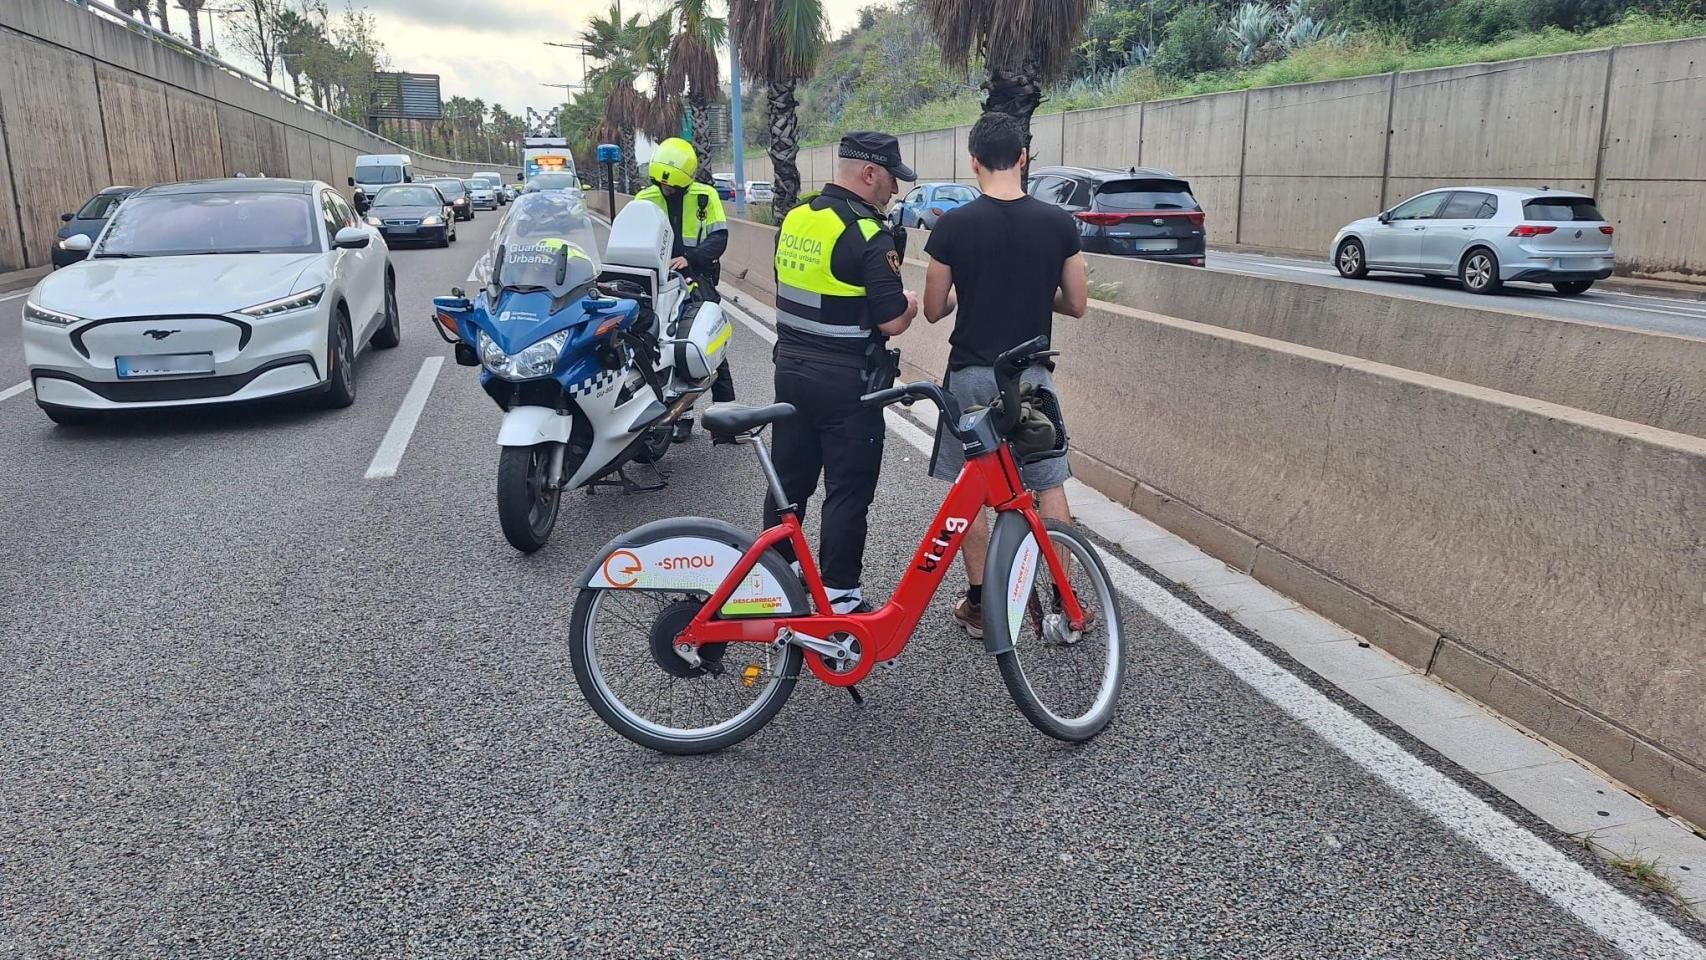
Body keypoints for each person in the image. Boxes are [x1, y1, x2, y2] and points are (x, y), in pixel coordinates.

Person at [921, 112, 1090, 638]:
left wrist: (968, 290)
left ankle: (981, 605)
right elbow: (1077, 304)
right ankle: (1065, 599)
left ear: (973, 161)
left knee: (971, 489)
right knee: (1048, 482)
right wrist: (1036, 292)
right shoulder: (1058, 224)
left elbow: (932, 308)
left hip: (971, 376)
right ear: (1023, 158)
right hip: (1032, 378)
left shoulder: (953, 226)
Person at [766, 131, 920, 614]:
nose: (894, 191)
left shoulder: (796, 218)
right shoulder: (868, 234)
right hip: (847, 383)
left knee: (789, 481)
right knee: (848, 491)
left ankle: (774, 576)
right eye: (891, 179)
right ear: (868, 172)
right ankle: (837, 595)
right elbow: (892, 319)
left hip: (789, 369)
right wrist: (911, 303)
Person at [633, 137, 737, 441]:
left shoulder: (705, 197)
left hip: (696, 277)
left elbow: (719, 239)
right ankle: (681, 416)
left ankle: (727, 418)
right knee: (658, 345)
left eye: (673, 186)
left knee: (707, 340)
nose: (667, 189)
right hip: (655, 281)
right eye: (663, 184)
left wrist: (689, 258)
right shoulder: (644, 198)